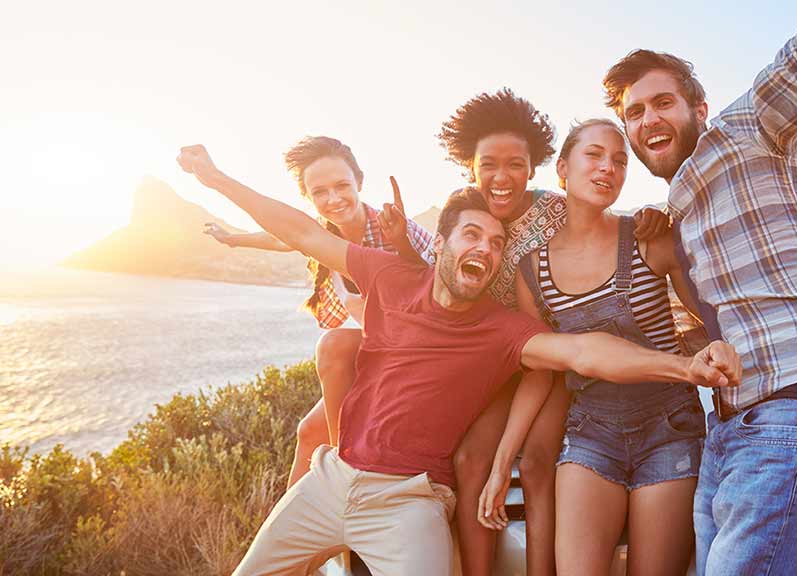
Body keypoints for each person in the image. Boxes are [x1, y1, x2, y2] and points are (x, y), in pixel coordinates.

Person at [176, 144, 742, 575]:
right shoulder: (388, 275)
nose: (486, 250)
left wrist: (685, 368)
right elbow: (299, 231)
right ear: (441, 243)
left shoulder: (502, 330)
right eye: (472, 235)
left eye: (497, 245)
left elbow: (584, 351)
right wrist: (216, 178)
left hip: (408, 501)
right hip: (330, 480)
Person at [602, 2, 797, 574]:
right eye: (634, 111)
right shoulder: (670, 215)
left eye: (663, 102)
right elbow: (716, 325)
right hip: (726, 433)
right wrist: (669, 262)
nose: (648, 118)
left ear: (699, 107)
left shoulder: (749, 128)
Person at [434, 88, 671, 575]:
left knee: (540, 458)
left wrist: (647, 218)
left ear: (538, 166)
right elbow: (429, 265)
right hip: (503, 368)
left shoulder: (555, 209)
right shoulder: (467, 219)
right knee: (471, 459)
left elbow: (604, 224)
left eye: (516, 164)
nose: (503, 178)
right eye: (489, 165)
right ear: (470, 167)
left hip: (560, 360)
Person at [477, 118, 710, 575]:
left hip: (670, 426)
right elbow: (541, 370)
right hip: (591, 431)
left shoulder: (648, 237)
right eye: (595, 156)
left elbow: (717, 309)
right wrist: (502, 461)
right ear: (562, 169)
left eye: (620, 161)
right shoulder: (532, 270)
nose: (608, 168)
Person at [202, 136, 434, 488]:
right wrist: (233, 239)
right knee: (309, 432)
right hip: (379, 348)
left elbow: (444, 286)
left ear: (359, 182)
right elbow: (281, 238)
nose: (333, 199)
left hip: (421, 353)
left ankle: (343, 472)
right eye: (320, 192)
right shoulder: (322, 233)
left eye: (342, 186)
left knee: (335, 345)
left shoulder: (395, 228)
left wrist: (403, 243)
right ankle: (288, 536)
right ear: (308, 198)